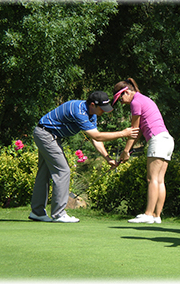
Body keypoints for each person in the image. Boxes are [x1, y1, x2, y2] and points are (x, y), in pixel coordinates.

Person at [29, 91, 139, 223]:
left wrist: (107, 158)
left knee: (44, 172)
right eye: (102, 109)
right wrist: (123, 133)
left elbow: (95, 140)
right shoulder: (78, 111)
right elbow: (97, 136)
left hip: (47, 134)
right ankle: (59, 214)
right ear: (92, 104)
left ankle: (37, 212)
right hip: (46, 134)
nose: (103, 112)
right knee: (63, 171)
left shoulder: (92, 114)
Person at [112, 78, 174, 224]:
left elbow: (133, 130)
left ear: (126, 92)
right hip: (167, 140)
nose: (121, 103)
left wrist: (125, 151)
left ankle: (148, 214)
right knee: (159, 180)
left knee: (151, 178)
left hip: (157, 140)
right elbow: (139, 131)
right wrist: (128, 150)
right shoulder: (143, 99)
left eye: (120, 99)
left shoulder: (135, 102)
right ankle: (156, 216)